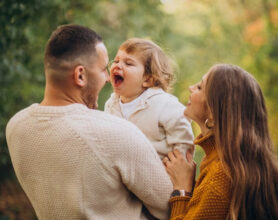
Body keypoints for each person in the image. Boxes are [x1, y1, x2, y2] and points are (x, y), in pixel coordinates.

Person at [6, 24, 173, 220]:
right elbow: (170, 208)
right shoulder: (116, 133)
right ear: (80, 75)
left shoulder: (16, 126)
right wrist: (185, 185)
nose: (108, 79)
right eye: (103, 69)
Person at [163, 64, 278, 219]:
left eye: (199, 87)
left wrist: (182, 190)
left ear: (212, 112)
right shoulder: (227, 162)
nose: (191, 88)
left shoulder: (220, 176)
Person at [104, 38, 194, 159]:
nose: (118, 65)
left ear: (147, 80)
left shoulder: (162, 103)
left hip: (157, 171)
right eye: (116, 61)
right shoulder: (111, 105)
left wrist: (180, 162)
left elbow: (182, 132)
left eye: (128, 63)